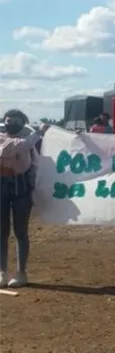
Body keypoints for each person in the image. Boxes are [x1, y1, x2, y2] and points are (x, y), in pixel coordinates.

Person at [0, 110, 48, 288]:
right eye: (9, 120)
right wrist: (37, 133)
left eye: (16, 121)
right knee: (1, 232)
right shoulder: (15, 140)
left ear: (22, 124)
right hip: (1, 187)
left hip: (22, 187)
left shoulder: (30, 142)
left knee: (21, 232)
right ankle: (2, 272)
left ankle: (21, 273)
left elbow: (33, 160)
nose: (11, 124)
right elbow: (11, 148)